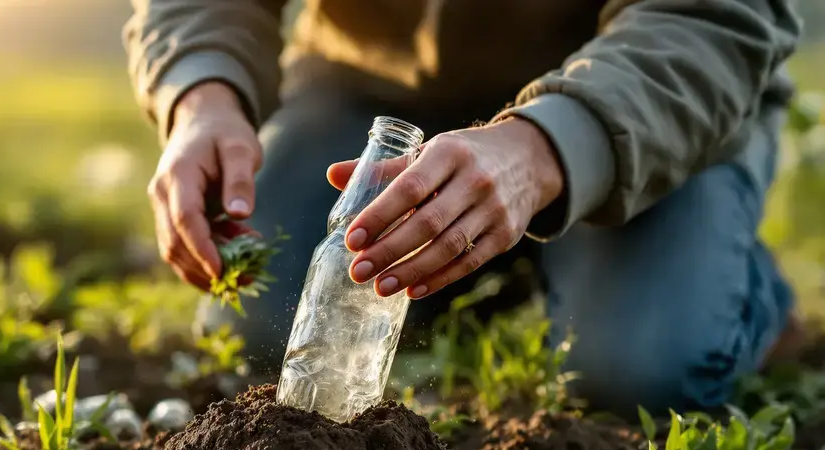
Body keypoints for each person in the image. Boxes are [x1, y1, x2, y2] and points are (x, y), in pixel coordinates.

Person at [124, 0, 805, 415]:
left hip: (641, 96)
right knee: (258, 316)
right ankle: (508, 264)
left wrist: (543, 150)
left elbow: (711, 18)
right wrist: (201, 96)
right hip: (373, 86)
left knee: (644, 369)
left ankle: (744, 289)